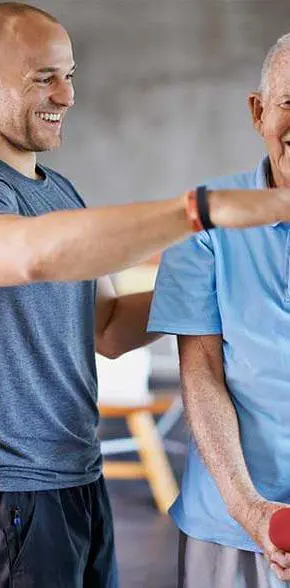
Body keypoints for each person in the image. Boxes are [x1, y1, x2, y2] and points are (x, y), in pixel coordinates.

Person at [0, 3, 290, 587]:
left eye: (70, 75)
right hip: (1, 492)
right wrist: (198, 214)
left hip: (77, 476)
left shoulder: (60, 191)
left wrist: (213, 273)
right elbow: (29, 256)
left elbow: (111, 328)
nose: (66, 96)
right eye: (45, 77)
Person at [148, 32, 290, 588]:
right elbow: (201, 373)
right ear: (258, 113)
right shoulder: (206, 217)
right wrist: (253, 511)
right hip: (231, 526)